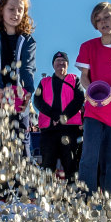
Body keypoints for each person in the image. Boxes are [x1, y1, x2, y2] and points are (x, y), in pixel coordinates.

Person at [75, 2, 111, 195]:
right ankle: (86, 200)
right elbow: (84, 75)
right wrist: (89, 89)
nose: (103, 22)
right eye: (98, 20)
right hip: (94, 111)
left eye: (107, 17)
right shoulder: (87, 46)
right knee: (89, 157)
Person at [0, 0, 36, 159]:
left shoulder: (27, 39)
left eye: (20, 10)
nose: (16, 13)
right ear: (1, 10)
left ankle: (22, 184)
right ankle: (0, 184)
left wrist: (28, 91)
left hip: (19, 98)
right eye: (11, 9)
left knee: (21, 143)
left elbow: (27, 67)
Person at [33, 51, 84, 182]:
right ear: (53, 65)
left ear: (67, 64)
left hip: (70, 129)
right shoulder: (44, 82)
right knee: (47, 163)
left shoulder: (74, 79)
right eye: (57, 61)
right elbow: (38, 101)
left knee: (70, 162)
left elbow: (79, 99)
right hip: (49, 130)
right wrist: (54, 116)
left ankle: (72, 193)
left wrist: (64, 117)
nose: (60, 64)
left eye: (63, 62)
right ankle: (46, 193)